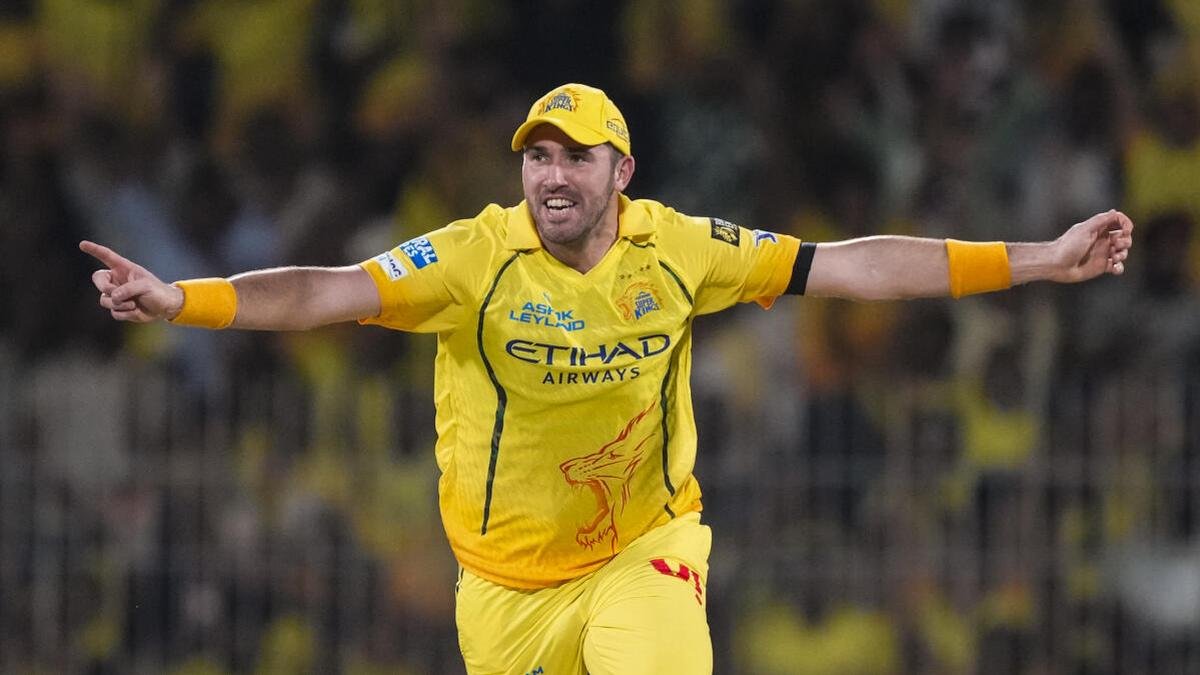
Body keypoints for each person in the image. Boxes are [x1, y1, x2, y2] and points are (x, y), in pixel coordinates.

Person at [82, 83, 1135, 674]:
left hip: (643, 549)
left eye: (575, 156)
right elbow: (326, 291)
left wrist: (1037, 259)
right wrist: (185, 300)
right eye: (537, 156)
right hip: (501, 589)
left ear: (621, 173)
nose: (551, 174)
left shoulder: (679, 248)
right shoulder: (472, 257)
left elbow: (851, 266)